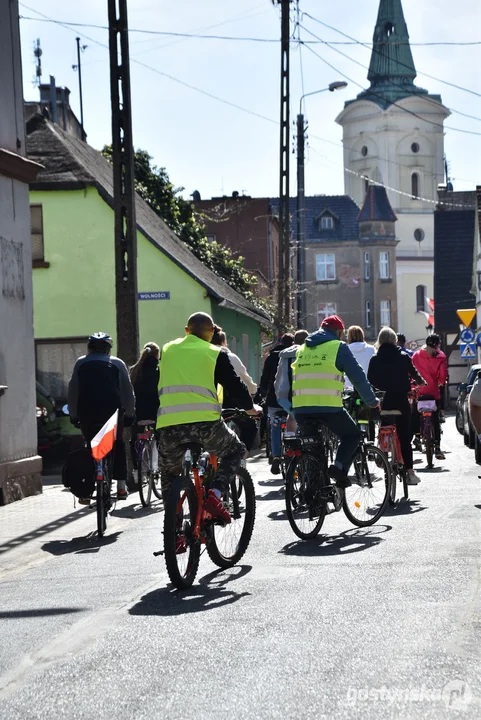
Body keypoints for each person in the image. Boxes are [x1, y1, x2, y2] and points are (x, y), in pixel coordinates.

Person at [156, 312, 261, 534]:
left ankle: (173, 528)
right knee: (235, 450)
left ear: (186, 330)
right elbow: (235, 385)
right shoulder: (215, 352)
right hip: (205, 424)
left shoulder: (167, 349)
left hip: (168, 426)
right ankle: (215, 494)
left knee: (169, 475)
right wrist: (251, 409)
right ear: (212, 333)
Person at [276, 316, 379, 487]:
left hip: (301, 409)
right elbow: (358, 377)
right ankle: (338, 468)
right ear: (339, 332)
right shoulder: (338, 347)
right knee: (352, 435)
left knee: (315, 451)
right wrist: (371, 400)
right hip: (329, 408)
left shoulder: (302, 349)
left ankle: (314, 495)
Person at [68, 332, 136, 502]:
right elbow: (127, 391)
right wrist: (130, 413)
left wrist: (73, 414)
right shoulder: (117, 363)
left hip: (87, 413)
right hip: (112, 412)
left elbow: (73, 390)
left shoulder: (81, 363)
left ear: (89, 349)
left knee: (90, 447)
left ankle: (85, 491)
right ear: (108, 350)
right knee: (117, 443)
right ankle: (121, 487)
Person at [368, 327, 426, 485]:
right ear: (394, 340)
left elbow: (369, 381)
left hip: (382, 402)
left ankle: (383, 454)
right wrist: (421, 382)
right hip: (401, 402)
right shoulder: (403, 357)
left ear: (379, 340)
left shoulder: (374, 359)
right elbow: (414, 374)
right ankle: (410, 472)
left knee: (383, 426)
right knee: (404, 437)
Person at [211, 327, 258, 454]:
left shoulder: (202, 355)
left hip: (209, 403)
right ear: (223, 341)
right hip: (232, 402)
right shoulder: (230, 356)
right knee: (250, 427)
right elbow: (244, 379)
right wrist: (253, 390)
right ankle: (242, 458)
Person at [257, 333, 294, 474]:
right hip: (292, 398)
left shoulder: (272, 357)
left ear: (279, 342)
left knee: (275, 424)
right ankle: (293, 450)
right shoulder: (297, 355)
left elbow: (265, 377)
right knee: (294, 423)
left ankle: (276, 455)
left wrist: (263, 393)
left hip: (274, 399)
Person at [412, 334, 447, 460]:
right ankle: (437, 446)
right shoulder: (441, 356)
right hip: (433, 392)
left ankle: (416, 435)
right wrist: (441, 383)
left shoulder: (416, 355)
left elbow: (411, 372)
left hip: (419, 391)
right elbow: (442, 376)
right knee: (435, 419)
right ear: (437, 345)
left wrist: (412, 385)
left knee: (415, 413)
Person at [129, 342, 160, 482]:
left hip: (138, 412)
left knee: (134, 440)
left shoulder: (134, 370)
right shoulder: (160, 370)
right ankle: (163, 467)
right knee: (162, 438)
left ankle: (136, 469)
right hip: (156, 412)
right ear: (157, 355)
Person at [344, 326, 376, 390]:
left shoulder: (344, 350)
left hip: (349, 387)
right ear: (362, 335)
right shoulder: (371, 349)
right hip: (368, 388)